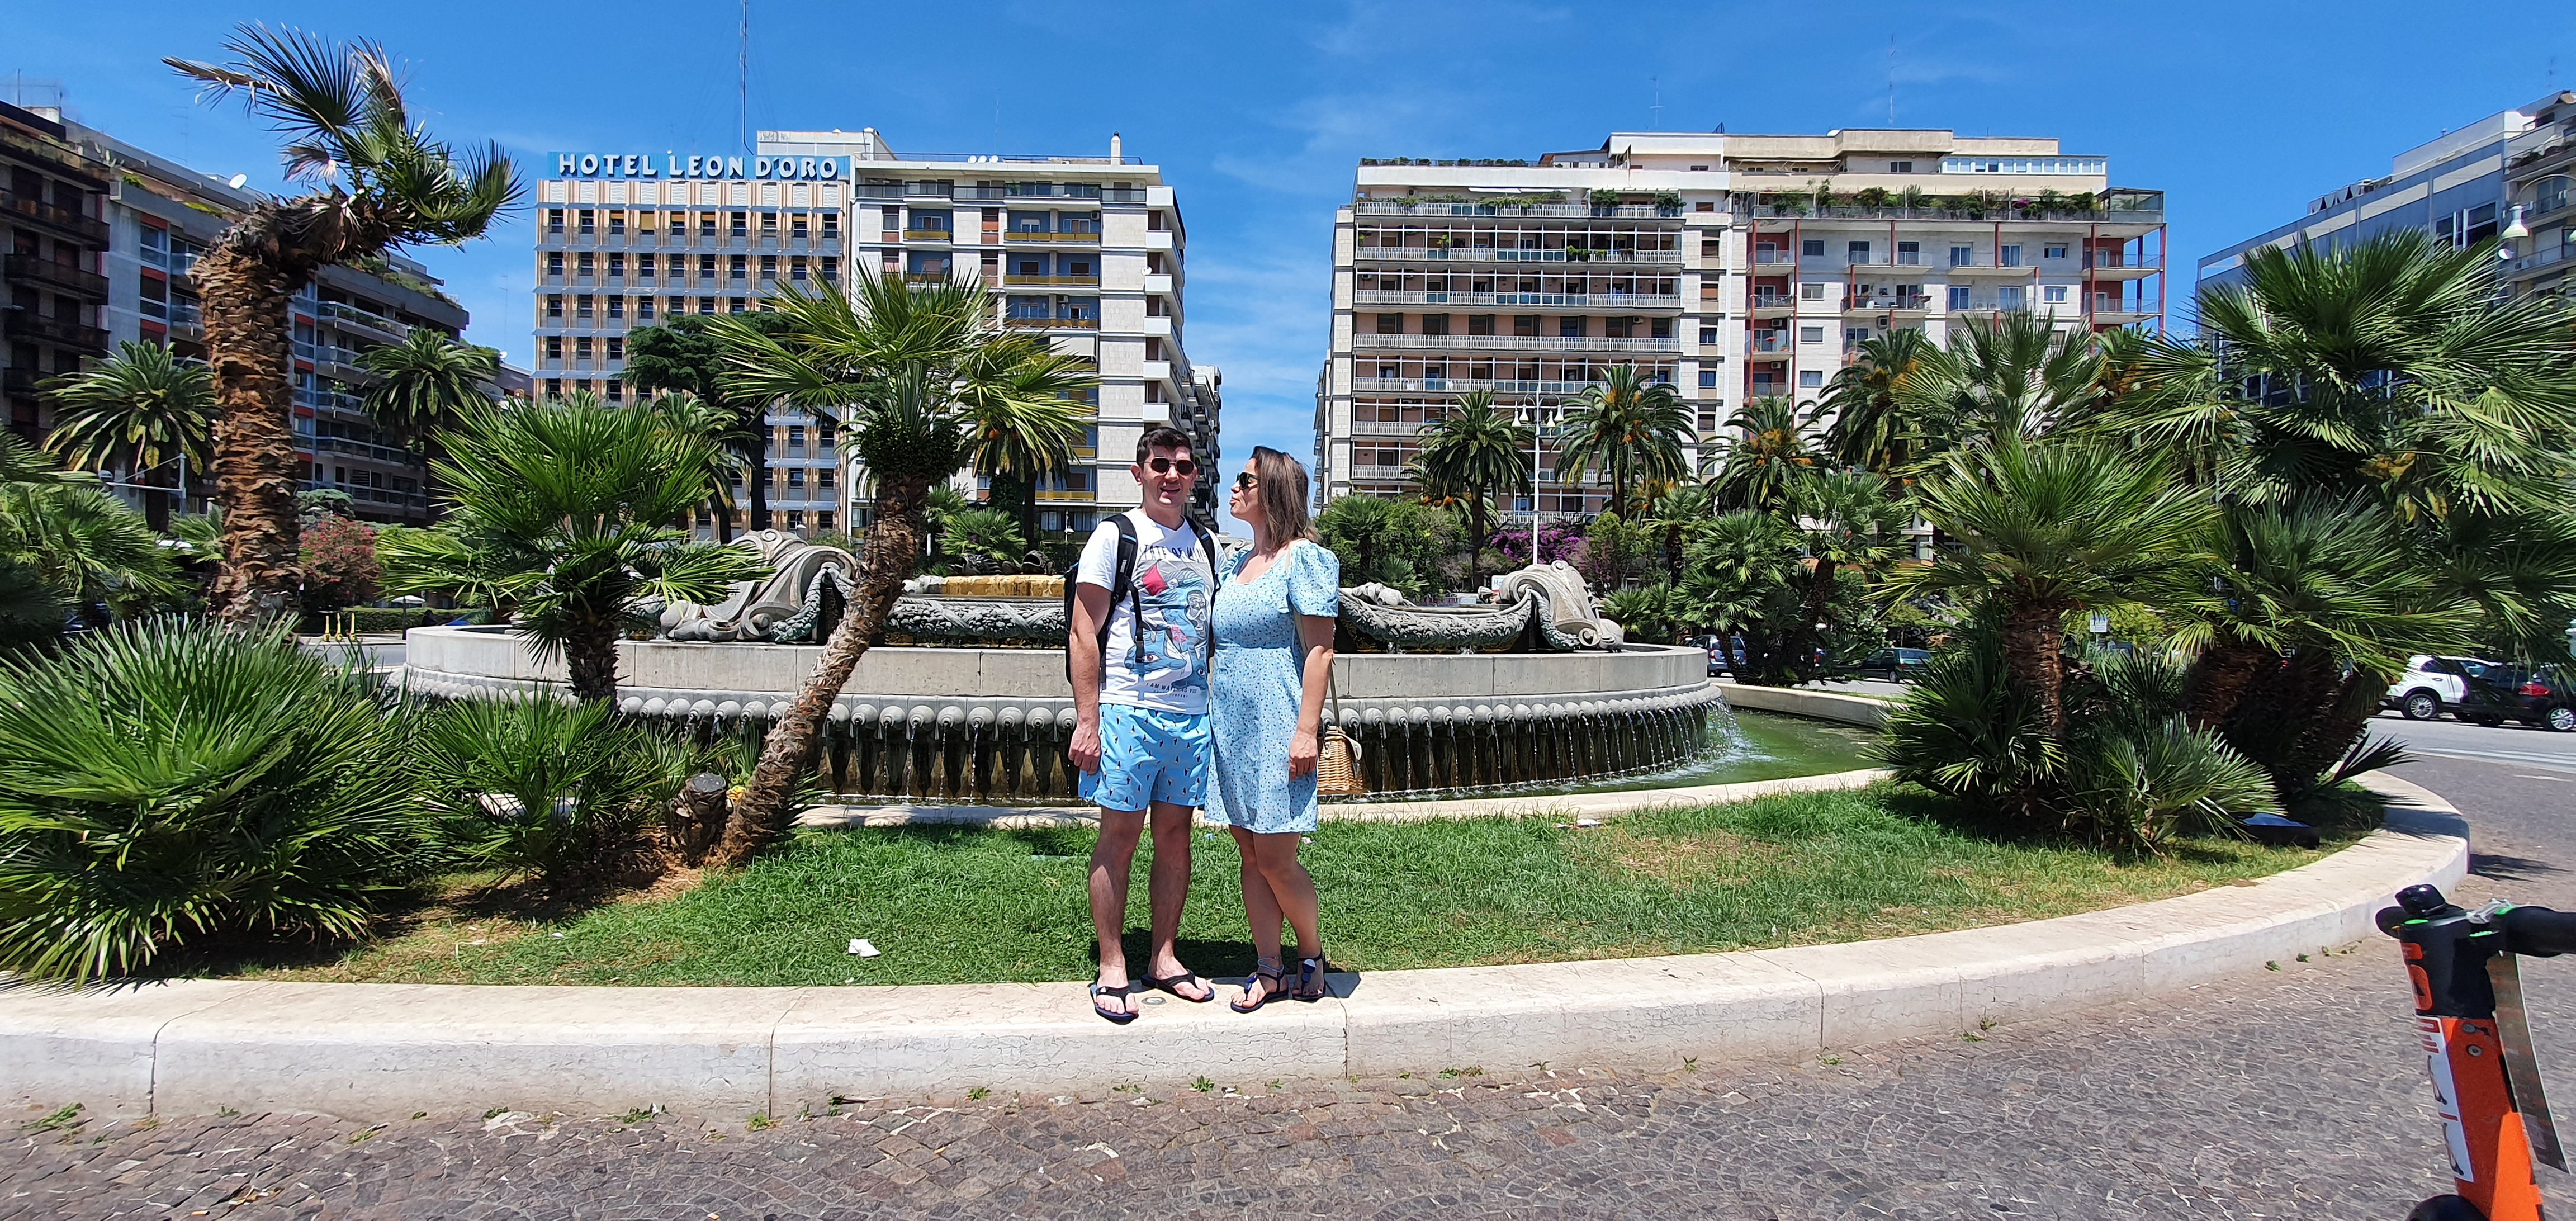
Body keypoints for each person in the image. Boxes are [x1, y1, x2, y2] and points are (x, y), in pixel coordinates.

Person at [1068, 425, 1220, 1023]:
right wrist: (1088, 719)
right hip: (1128, 710)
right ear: (1139, 473)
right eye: (1160, 465)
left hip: (1189, 716)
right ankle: (1112, 964)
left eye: (1182, 465)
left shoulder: (1207, 545)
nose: (1172, 475)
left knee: (1176, 838)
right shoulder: (1116, 536)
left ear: (1194, 475)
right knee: (1120, 837)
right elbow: (1084, 631)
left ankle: (1163, 957)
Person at [1208, 446, 1339, 1012]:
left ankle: (1311, 955)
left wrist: (1306, 731)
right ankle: (1268, 967)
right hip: (1231, 726)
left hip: (1279, 722)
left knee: (1277, 858)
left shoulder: (1304, 559)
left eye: (1246, 480)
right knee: (1250, 853)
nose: (1233, 488)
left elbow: (1320, 650)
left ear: (1275, 491)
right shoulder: (1235, 564)